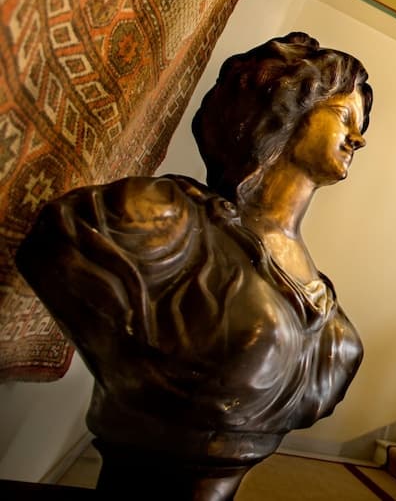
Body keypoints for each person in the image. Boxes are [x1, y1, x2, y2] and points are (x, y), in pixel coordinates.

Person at [16, 32, 371, 500]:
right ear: (286, 108)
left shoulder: (319, 291)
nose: (359, 138)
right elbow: (54, 244)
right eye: (345, 117)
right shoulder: (166, 218)